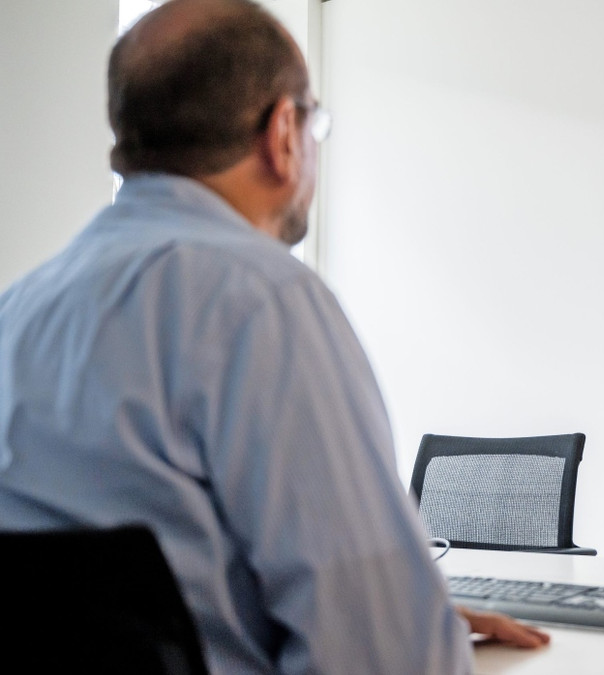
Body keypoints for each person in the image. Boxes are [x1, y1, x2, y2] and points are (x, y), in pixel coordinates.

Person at [0, 0, 547, 672]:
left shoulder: (19, 310)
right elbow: (386, 659)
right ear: (283, 132)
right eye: (314, 122)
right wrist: (401, 619)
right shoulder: (262, 301)